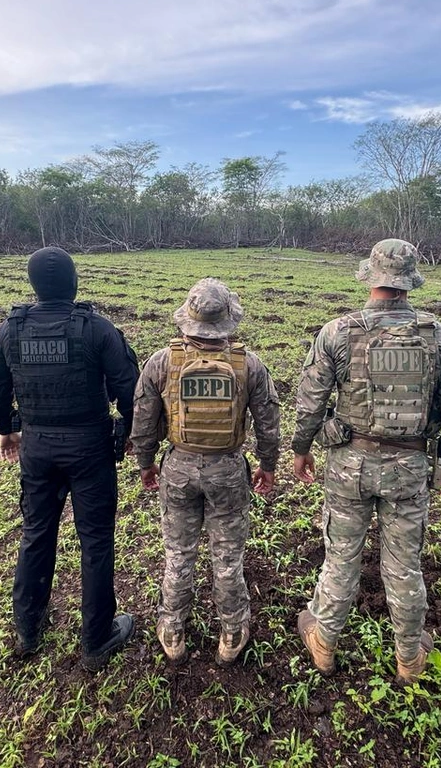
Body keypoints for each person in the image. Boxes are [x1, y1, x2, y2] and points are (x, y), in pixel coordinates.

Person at [292, 239, 441, 684]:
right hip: (411, 469)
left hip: (348, 467)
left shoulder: (337, 332)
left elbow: (310, 402)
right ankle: (409, 656)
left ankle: (325, 641)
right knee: (404, 564)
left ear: (370, 277)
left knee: (340, 556)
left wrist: (299, 451)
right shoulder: (440, 337)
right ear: (410, 281)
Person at [0, 246, 139, 671]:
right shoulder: (98, 329)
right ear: (73, 284)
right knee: (96, 539)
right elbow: (131, 389)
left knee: (36, 531)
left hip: (37, 447)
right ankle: (96, 639)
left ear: (33, 287)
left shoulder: (9, 330)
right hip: (90, 447)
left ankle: (28, 629)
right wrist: (129, 433)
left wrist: (6, 429)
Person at [131, 278, 281, 666]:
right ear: (229, 320)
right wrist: (267, 466)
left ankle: (172, 629)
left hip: (178, 467)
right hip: (229, 471)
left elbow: (143, 421)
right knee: (228, 557)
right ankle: (232, 632)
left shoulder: (162, 362)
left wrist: (146, 464)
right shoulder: (249, 364)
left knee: (178, 554)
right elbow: (268, 422)